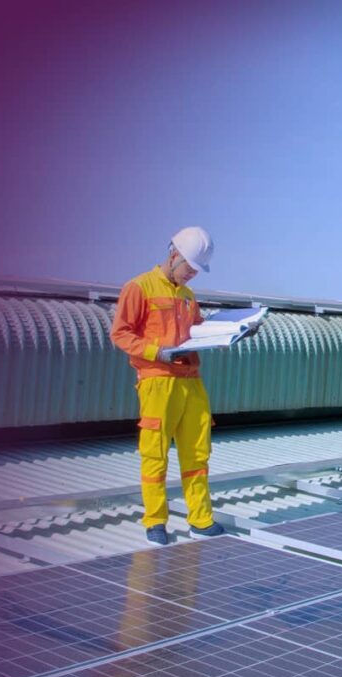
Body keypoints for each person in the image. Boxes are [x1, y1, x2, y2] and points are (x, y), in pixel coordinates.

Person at [110, 227, 225, 545]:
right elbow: (120, 333)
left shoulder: (188, 297)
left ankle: (200, 520)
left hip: (191, 381)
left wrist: (227, 334)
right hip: (158, 382)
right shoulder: (139, 287)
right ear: (174, 255)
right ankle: (156, 521)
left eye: (196, 271)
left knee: (197, 454)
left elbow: (197, 332)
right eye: (189, 268)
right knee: (155, 454)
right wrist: (154, 352)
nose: (191, 276)